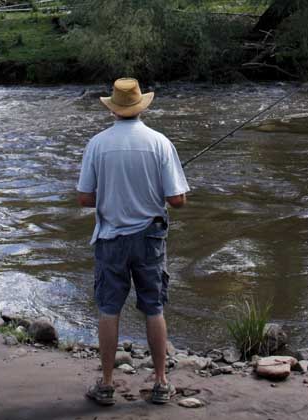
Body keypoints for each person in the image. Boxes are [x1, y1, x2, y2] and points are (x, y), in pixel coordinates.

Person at [76, 78, 189, 406]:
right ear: (141, 106)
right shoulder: (159, 143)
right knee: (154, 308)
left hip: (110, 238)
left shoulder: (97, 144)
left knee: (109, 309)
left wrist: (109, 194)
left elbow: (84, 198)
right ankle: (160, 383)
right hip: (150, 239)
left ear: (113, 108)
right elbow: (177, 200)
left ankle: (107, 384)